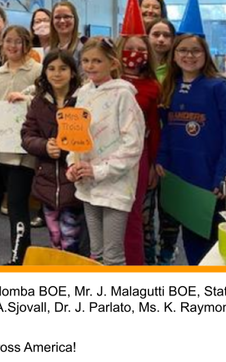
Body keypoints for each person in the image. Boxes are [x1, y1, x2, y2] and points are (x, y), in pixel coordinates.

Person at [156, 34, 226, 265]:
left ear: (205, 54)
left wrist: (225, 174)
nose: (189, 55)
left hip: (212, 176)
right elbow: (166, 129)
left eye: (196, 50)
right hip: (183, 176)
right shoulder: (170, 87)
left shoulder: (219, 88)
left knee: (216, 244)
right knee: (193, 238)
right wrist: (162, 158)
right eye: (182, 50)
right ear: (174, 55)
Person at [66, 37, 145, 266]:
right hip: (88, 183)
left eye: (97, 61)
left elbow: (133, 145)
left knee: (113, 256)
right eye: (86, 61)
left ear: (112, 63)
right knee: (96, 253)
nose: (90, 66)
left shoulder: (123, 94)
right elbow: (74, 135)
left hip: (116, 185)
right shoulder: (83, 93)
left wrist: (99, 170)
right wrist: (73, 165)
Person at [0, 25, 42, 265]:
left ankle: (19, 258)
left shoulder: (37, 70)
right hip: (3, 148)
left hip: (25, 149)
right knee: (14, 202)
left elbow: (45, 101)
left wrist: (25, 98)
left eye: (18, 41)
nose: (12, 46)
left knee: (17, 203)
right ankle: (20, 254)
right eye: (8, 41)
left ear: (26, 44)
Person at [21, 50, 84, 253]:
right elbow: (27, 136)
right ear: (45, 72)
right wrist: (44, 146)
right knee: (55, 237)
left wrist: (66, 149)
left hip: (74, 182)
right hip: (46, 182)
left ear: (72, 72)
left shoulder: (83, 100)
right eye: (51, 69)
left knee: (70, 239)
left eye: (63, 68)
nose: (57, 74)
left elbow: (90, 139)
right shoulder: (39, 102)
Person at [118, 35, 162, 265]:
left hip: (138, 156)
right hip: (105, 154)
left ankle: (134, 264)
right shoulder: (106, 79)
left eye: (140, 49)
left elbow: (154, 128)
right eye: (129, 48)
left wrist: (154, 163)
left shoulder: (152, 86)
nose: (134, 53)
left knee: (133, 213)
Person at [145, 17, 179, 264]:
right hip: (145, 146)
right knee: (145, 203)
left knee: (169, 205)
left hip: (173, 146)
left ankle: (167, 249)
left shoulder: (179, 71)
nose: (160, 39)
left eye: (166, 35)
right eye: (155, 34)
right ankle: (147, 251)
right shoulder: (138, 69)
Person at [147, 18, 176, 83]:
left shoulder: (178, 67)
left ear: (173, 39)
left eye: (166, 35)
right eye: (156, 35)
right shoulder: (139, 64)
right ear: (147, 37)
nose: (161, 39)